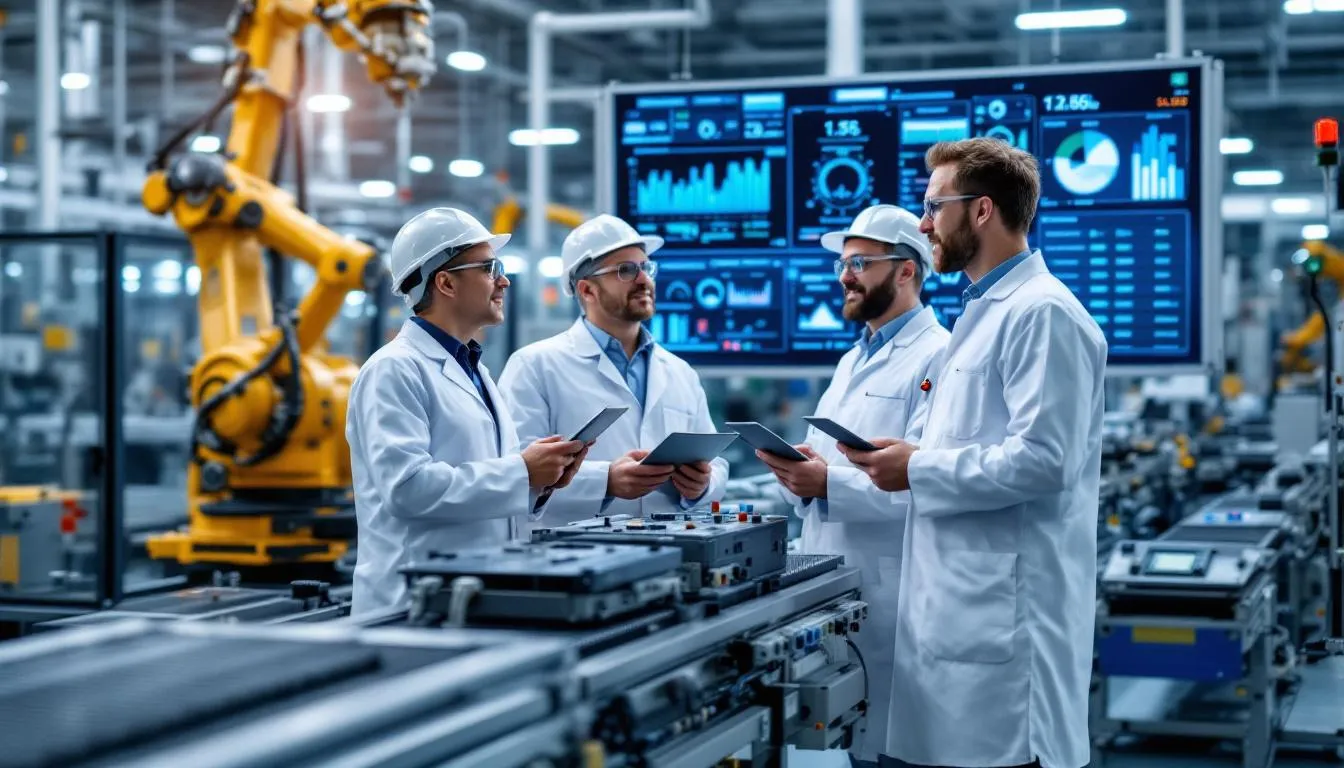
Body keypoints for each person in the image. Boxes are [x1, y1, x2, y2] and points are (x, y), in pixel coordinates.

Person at [837, 138, 1107, 768]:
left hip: (1006, 642)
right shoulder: (980, 314)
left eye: (934, 206)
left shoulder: (1042, 314)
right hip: (959, 625)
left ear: (982, 211)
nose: (924, 222)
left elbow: (1045, 460)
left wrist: (916, 467)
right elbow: (971, 445)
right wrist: (909, 454)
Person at [755, 204, 949, 768]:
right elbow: (826, 473)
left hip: (895, 594)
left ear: (906, 270)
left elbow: (929, 482)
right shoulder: (850, 360)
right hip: (835, 586)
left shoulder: (941, 355)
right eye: (844, 263)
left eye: (860, 262)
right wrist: (800, 475)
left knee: (894, 749)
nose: (845, 275)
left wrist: (827, 483)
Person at [346, 207, 589, 615]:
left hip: (472, 598)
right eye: (490, 268)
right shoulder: (393, 370)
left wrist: (540, 482)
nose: (504, 280)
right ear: (445, 282)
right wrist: (521, 472)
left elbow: (483, 489)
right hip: (409, 607)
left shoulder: (476, 371)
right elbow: (407, 490)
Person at [497, 214, 727, 531]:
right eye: (626, 270)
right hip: (574, 560)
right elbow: (517, 474)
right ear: (587, 291)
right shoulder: (535, 366)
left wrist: (703, 485)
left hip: (670, 558)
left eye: (647, 268)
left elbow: (716, 462)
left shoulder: (679, 372)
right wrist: (606, 481)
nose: (644, 280)